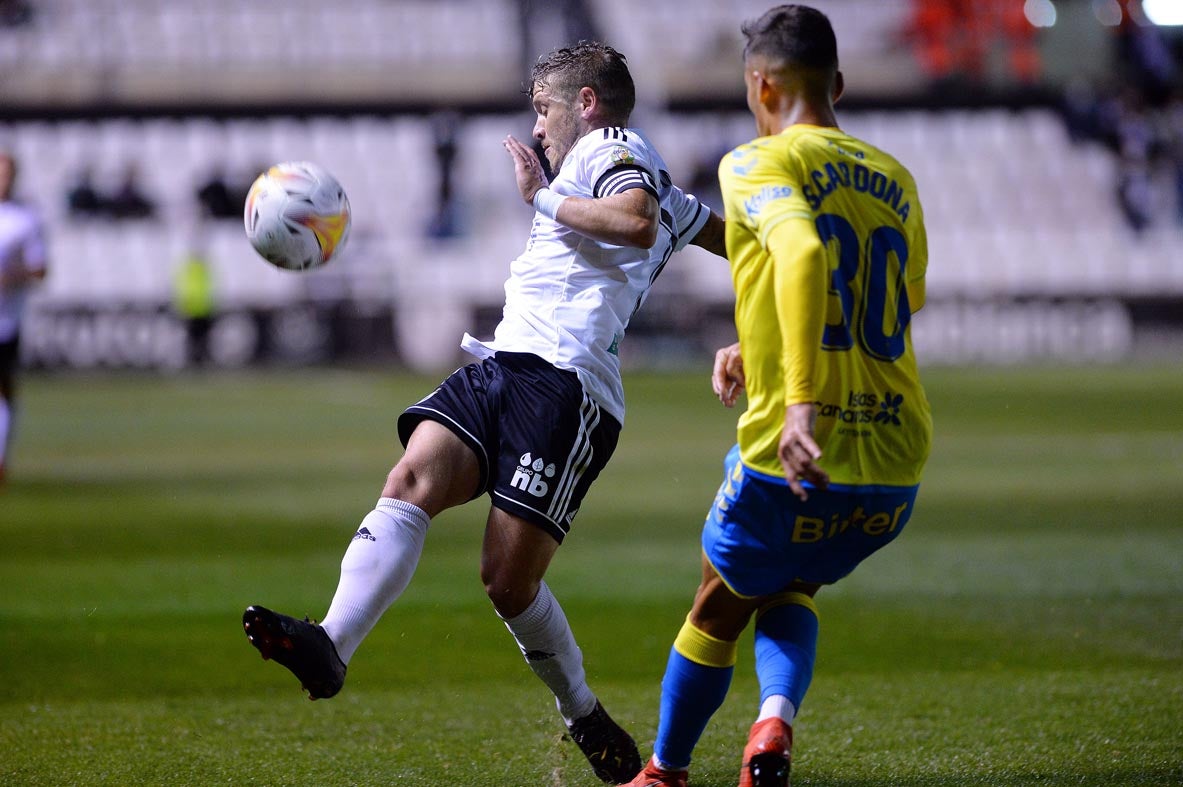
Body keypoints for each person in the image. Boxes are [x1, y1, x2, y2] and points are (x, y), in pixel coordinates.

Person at [242, 41, 727, 784]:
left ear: (586, 103)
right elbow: (726, 239)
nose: (537, 128)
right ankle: (329, 645)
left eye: (543, 108)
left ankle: (581, 712)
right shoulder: (644, 180)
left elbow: (633, 221)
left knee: (506, 583)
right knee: (409, 479)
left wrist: (539, 196)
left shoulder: (613, 147)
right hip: (503, 363)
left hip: (566, 391)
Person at [620, 7, 932, 787]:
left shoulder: (755, 162)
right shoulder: (893, 178)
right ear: (839, 83)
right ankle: (772, 725)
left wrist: (796, 403)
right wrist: (754, 345)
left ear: (759, 84)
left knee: (715, 603)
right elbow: (896, 300)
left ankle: (664, 771)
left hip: (797, 445)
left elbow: (798, 250)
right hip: (894, 462)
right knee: (791, 579)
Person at [0, 150, 48, 487]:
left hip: (6, 320)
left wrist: (9, 275)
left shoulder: (24, 219)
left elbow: (40, 268)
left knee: (4, 391)